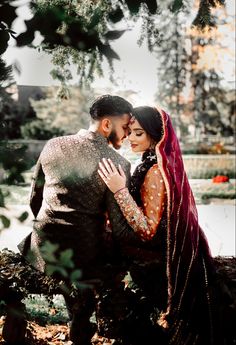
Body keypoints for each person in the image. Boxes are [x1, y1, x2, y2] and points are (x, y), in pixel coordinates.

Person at [17, 95, 142, 345]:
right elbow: (118, 229)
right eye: (125, 128)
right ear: (107, 124)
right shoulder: (117, 163)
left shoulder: (53, 145)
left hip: (42, 249)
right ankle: (83, 323)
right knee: (108, 257)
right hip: (84, 255)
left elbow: (34, 199)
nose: (127, 135)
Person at [98, 106, 220, 344]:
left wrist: (119, 190)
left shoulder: (154, 171)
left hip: (152, 266)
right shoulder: (149, 162)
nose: (130, 138)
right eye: (129, 132)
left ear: (156, 136)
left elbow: (147, 229)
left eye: (138, 133)